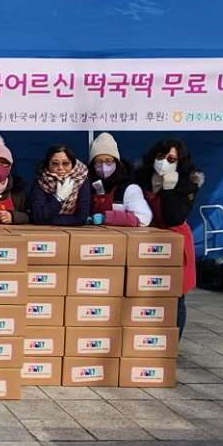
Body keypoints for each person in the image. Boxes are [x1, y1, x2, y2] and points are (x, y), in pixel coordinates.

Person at [137, 138, 202, 336]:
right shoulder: (141, 178)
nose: (164, 162)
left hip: (175, 241)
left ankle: (172, 344)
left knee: (175, 297)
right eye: (161, 157)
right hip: (147, 240)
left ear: (180, 162)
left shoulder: (188, 185)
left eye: (171, 159)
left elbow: (174, 218)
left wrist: (168, 190)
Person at [87, 132, 152, 227]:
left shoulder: (129, 189)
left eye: (108, 161)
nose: (103, 166)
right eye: (98, 161)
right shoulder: (88, 186)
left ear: (116, 162)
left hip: (120, 240)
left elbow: (143, 218)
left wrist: (106, 218)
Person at [29, 144, 91, 225]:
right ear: (48, 164)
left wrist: (48, 220)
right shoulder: (41, 180)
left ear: (72, 164)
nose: (60, 168)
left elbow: (81, 218)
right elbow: (38, 217)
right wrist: (58, 198)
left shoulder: (81, 179)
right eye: (55, 163)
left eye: (65, 163)